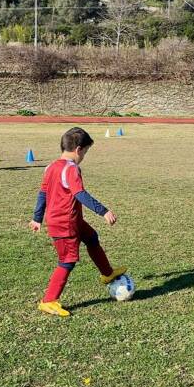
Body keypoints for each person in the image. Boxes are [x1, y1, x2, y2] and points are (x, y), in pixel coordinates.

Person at [29, 127, 126, 317]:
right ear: (79, 149)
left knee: (91, 237)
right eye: (86, 152)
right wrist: (103, 211)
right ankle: (49, 300)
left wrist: (37, 217)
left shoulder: (50, 166)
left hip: (73, 220)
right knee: (67, 261)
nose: (84, 156)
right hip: (65, 223)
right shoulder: (71, 168)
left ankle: (107, 273)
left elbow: (42, 193)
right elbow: (80, 194)